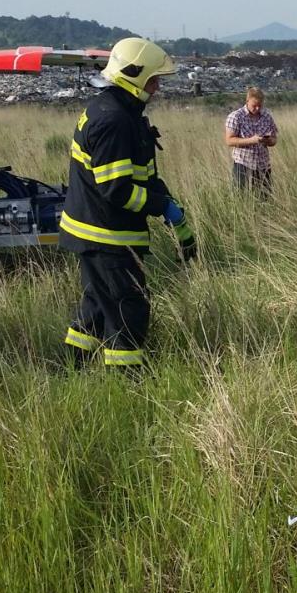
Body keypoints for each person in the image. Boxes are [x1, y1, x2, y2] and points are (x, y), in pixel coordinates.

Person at [60, 37, 196, 371]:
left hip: (96, 231)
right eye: (154, 79)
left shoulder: (121, 112)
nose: (159, 87)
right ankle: (129, 378)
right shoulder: (114, 120)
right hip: (106, 235)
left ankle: (72, 368)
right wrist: (160, 206)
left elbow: (142, 175)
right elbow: (118, 191)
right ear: (135, 77)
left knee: (97, 302)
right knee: (128, 305)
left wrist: (166, 200)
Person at [224, 85, 277, 195]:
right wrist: (252, 140)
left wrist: (269, 141)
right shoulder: (236, 117)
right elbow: (229, 140)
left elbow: (274, 139)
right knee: (241, 198)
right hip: (243, 164)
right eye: (254, 105)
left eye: (260, 106)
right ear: (247, 101)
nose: (257, 108)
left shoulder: (267, 116)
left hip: (263, 166)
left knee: (264, 199)